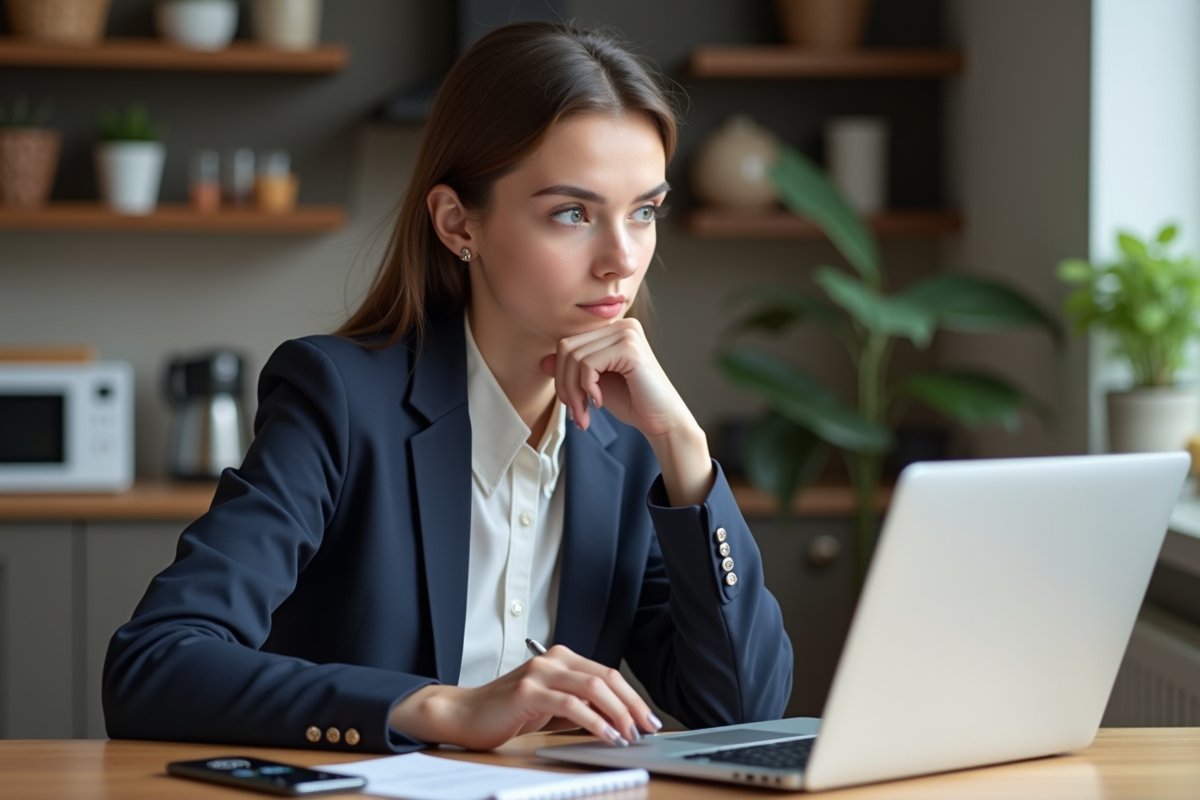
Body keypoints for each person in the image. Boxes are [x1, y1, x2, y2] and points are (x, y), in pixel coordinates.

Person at [103, 21, 792, 754]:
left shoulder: (630, 449)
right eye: (572, 213)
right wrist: (439, 709)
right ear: (459, 223)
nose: (622, 259)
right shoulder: (338, 402)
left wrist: (684, 450)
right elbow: (155, 665)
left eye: (644, 211)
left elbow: (742, 709)